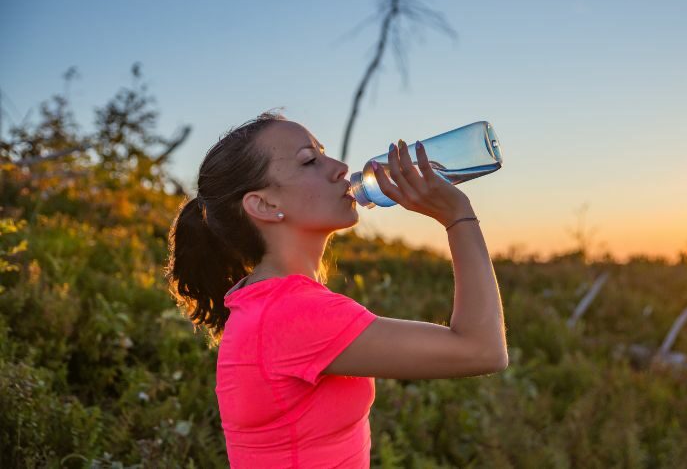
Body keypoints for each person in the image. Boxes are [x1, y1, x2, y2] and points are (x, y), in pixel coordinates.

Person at [165, 111, 508, 468]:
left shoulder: (266, 301)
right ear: (264, 205)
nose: (341, 167)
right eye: (310, 161)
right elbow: (482, 349)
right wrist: (458, 216)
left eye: (323, 152)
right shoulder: (291, 313)